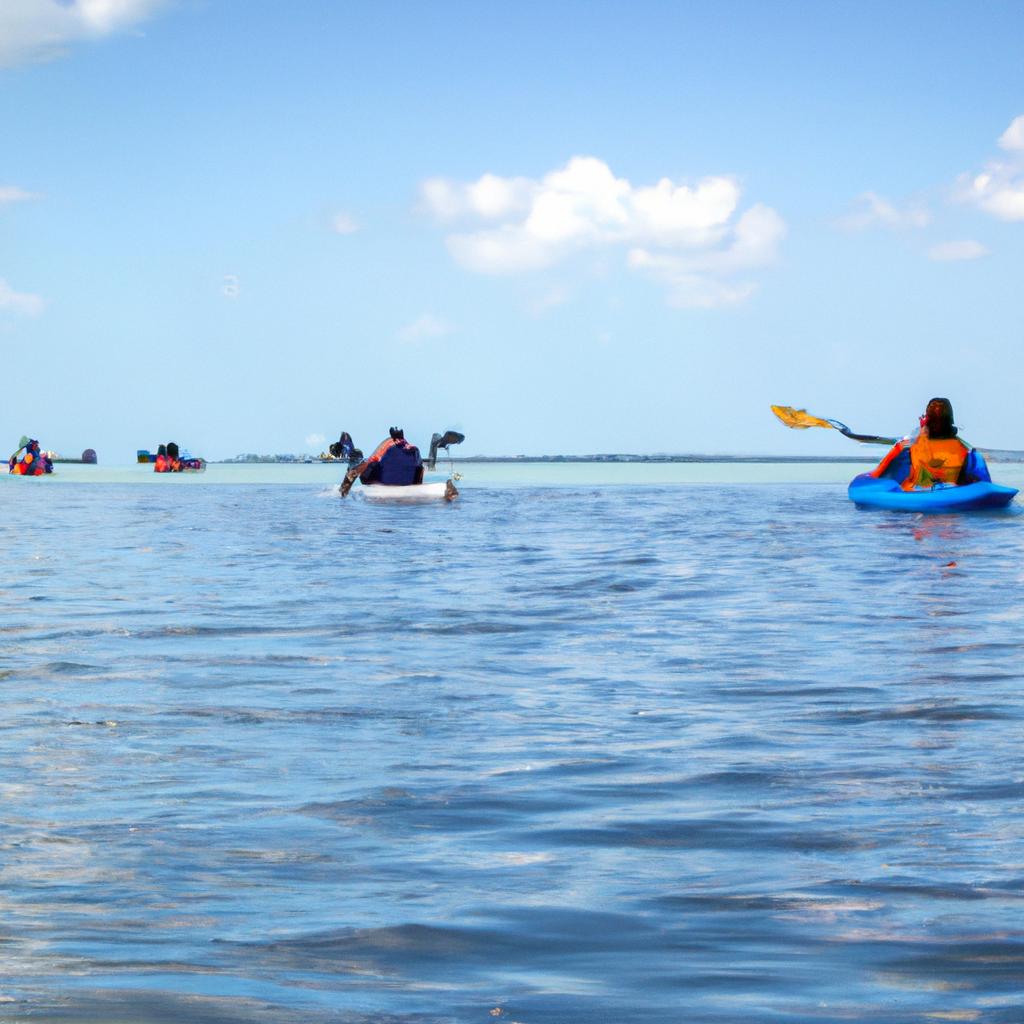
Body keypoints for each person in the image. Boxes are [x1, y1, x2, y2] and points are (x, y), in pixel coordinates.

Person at [870, 398, 989, 490]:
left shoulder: (908, 447)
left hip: (918, 499)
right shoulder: (965, 451)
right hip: (953, 509)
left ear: (927, 421)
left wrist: (922, 431)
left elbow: (876, 476)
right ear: (951, 421)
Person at [340, 427, 424, 495]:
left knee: (361, 463)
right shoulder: (411, 450)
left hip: (380, 474)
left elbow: (355, 472)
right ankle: (350, 453)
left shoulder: (407, 449)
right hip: (380, 473)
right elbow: (420, 469)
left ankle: (351, 453)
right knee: (361, 462)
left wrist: (343, 491)